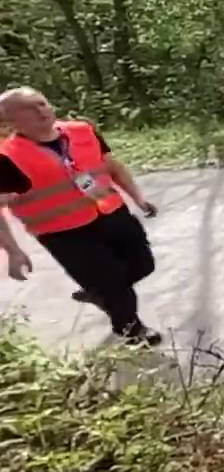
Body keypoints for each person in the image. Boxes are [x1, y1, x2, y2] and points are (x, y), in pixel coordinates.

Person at [0, 87, 163, 346]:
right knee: (113, 284)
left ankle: (101, 293)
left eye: (42, 103)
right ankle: (131, 330)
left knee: (144, 265)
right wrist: (13, 251)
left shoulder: (81, 131)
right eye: (28, 108)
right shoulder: (7, 158)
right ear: (10, 121)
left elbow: (112, 166)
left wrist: (138, 198)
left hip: (111, 212)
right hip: (64, 233)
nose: (40, 110)